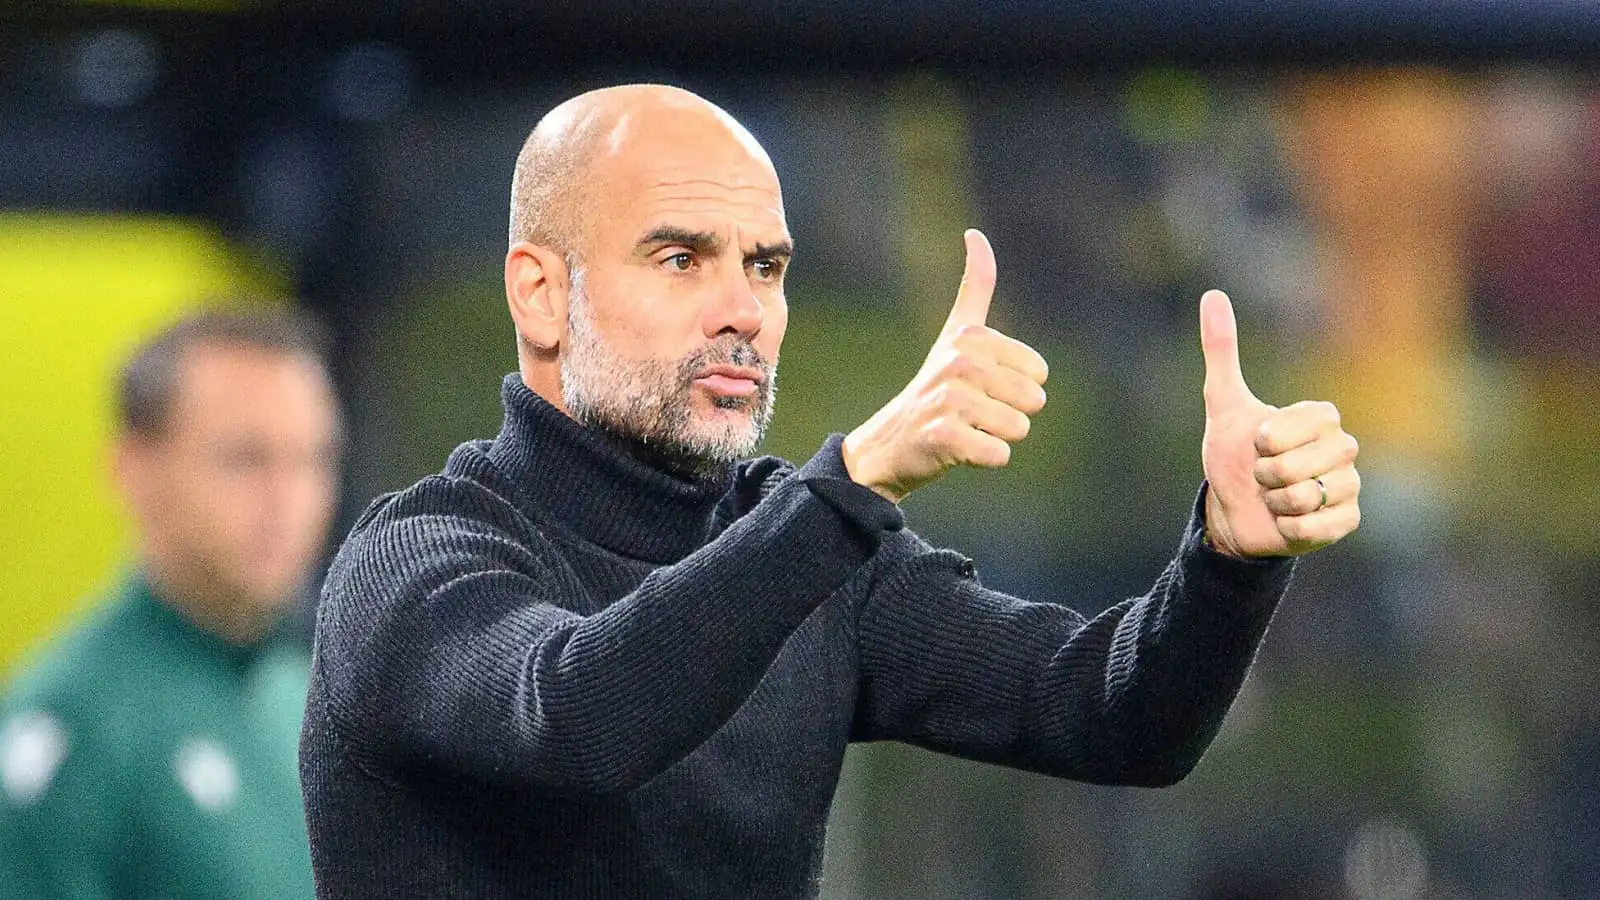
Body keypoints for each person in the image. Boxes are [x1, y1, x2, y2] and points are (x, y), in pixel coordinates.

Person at [300, 84, 1362, 899]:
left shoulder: (816, 554)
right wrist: (848, 486)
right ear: (540, 294)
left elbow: (1116, 717)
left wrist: (1228, 563)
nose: (742, 311)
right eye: (680, 259)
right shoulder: (416, 561)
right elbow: (576, 720)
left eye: (765, 267)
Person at [0, 308, 342, 900]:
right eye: (245, 458)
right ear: (135, 469)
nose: (287, 499)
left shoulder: (310, 694)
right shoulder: (73, 734)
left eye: (312, 459)